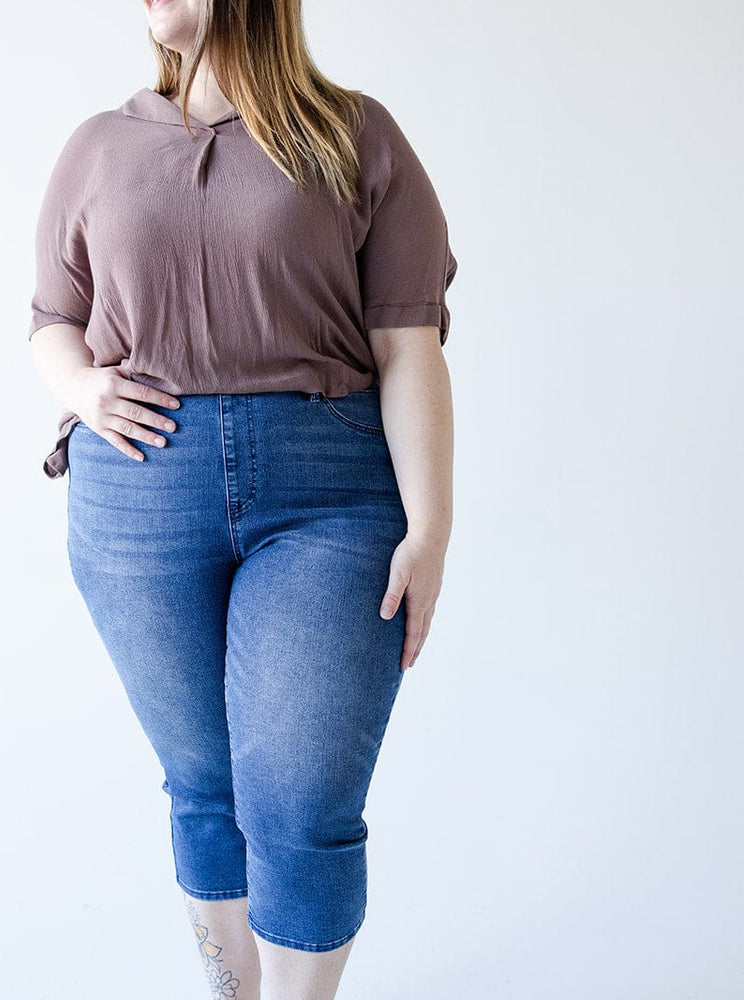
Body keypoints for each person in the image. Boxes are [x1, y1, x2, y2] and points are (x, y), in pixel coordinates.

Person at [27, 1, 458, 997]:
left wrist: (430, 527)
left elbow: (408, 344)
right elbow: (53, 319)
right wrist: (86, 388)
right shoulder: (97, 146)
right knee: (205, 788)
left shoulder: (351, 135)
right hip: (139, 490)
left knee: (302, 802)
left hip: (330, 493)